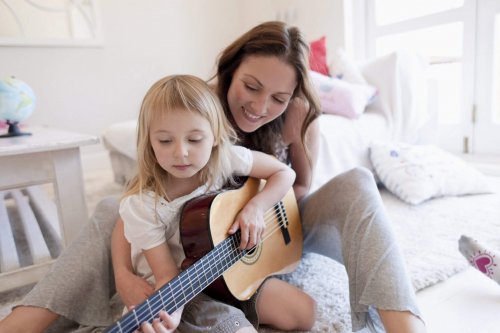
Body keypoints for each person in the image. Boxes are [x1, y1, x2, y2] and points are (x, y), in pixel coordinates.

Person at [0, 21, 425, 333]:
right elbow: (141, 193)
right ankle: (31, 316)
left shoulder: (298, 113)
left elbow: (298, 187)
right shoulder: (199, 110)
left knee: (358, 183)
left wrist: (259, 209)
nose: (261, 107)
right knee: (116, 208)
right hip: (208, 243)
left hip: (277, 226)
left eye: (278, 96)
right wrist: (127, 277)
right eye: (251, 87)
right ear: (230, 70)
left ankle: (404, 325)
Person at [118, 73, 314, 332]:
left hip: (235, 272)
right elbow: (166, 274)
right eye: (165, 141)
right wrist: (173, 311)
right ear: (149, 142)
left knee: (305, 313)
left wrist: (255, 208)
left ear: (215, 135)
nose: (181, 152)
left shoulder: (227, 159)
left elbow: (285, 173)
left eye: (195, 139)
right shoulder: (142, 206)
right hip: (188, 290)